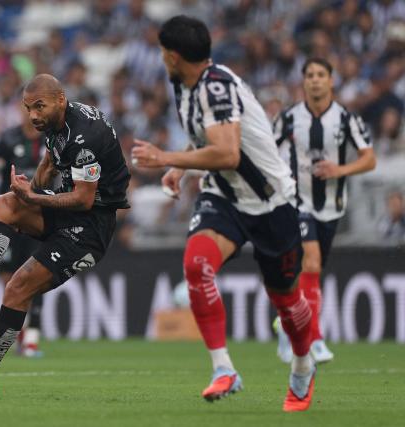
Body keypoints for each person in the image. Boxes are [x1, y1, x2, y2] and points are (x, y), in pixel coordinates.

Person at [131, 16, 314, 412]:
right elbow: (206, 142)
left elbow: (228, 152)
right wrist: (183, 167)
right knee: (197, 265)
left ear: (174, 56)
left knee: (287, 300)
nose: (161, 58)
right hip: (224, 197)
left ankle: (302, 364)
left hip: (270, 202)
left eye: (163, 52)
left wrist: (165, 157)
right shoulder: (184, 85)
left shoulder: (216, 87)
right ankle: (223, 369)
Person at [0, 74, 131, 397]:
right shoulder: (57, 124)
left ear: (60, 98)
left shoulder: (84, 135)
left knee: (17, 288)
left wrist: (34, 198)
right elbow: (49, 163)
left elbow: (84, 199)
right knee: (5, 204)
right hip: (68, 213)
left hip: (90, 229)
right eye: (28, 108)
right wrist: (33, 189)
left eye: (39, 106)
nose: (33, 115)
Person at [273, 58, 376, 364]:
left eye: (321, 75)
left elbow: (369, 159)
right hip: (297, 202)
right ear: (303, 81)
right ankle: (314, 339)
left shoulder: (346, 119)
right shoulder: (289, 118)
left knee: (311, 274)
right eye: (309, 75)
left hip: (332, 207)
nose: (315, 80)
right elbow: (265, 147)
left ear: (331, 81)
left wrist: (340, 169)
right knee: (313, 262)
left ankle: (286, 322)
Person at [0, 106, 47, 358]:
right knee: (10, 280)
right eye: (27, 107)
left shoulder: (52, 138)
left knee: (38, 276)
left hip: (40, 219)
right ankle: (16, 333)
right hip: (11, 221)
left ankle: (31, 340)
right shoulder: (7, 138)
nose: (32, 113)